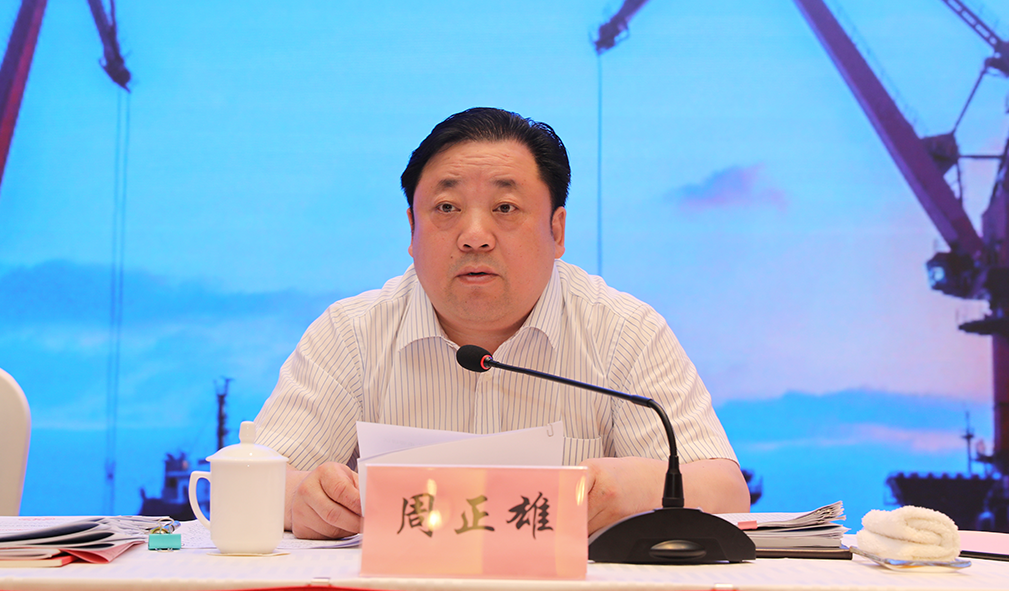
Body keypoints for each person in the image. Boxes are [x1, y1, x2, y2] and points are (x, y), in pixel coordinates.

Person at [255, 107, 750, 539]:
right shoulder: (351, 334)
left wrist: (635, 489)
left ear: (556, 230)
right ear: (412, 229)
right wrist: (302, 498)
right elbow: (247, 482)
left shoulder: (624, 332)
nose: (474, 236)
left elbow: (725, 491)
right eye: (446, 208)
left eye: (505, 208)